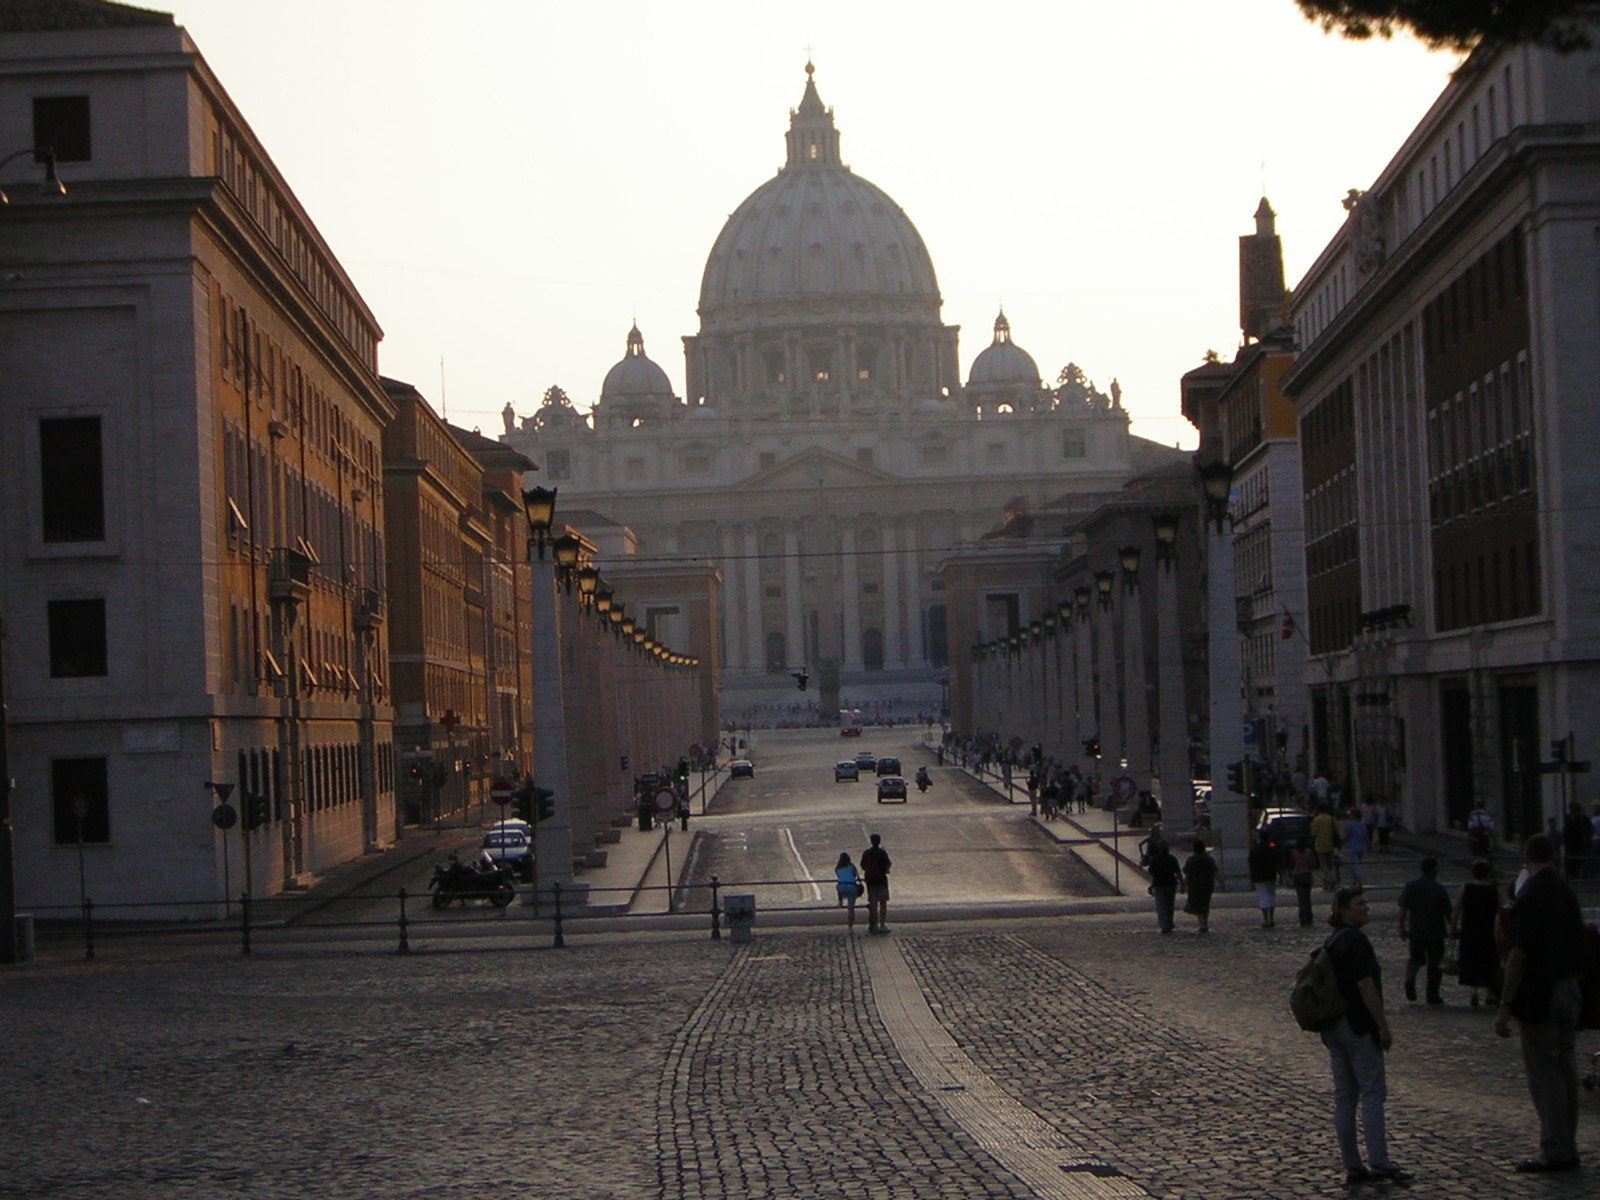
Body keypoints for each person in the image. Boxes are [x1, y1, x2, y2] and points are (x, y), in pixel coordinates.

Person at [1494, 833, 1586, 1173]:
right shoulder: (1566, 892)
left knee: (1545, 1074)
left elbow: (1518, 955)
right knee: (1566, 1069)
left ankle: (1554, 1148)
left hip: (1540, 992)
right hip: (1568, 986)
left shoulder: (1529, 896)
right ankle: (1568, 1144)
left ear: (1526, 859)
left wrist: (1505, 1005)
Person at [1321, 888, 1410, 1186]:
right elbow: (1365, 986)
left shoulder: (1331, 941)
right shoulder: (1356, 941)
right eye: (1360, 904)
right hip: (1358, 1025)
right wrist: (1382, 1025)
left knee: (1345, 1096)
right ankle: (1379, 1161)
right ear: (1344, 910)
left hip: (1334, 1026)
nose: (1366, 909)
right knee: (1373, 1092)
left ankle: (1352, 1164)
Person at [1398, 856, 1453, 1004]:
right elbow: (1447, 913)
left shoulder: (1411, 886)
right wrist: (1453, 928)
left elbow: (1403, 908)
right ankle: (1432, 994)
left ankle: (1410, 978)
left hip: (1416, 930)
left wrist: (1402, 927)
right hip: (1435, 931)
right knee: (1435, 964)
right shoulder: (1439, 889)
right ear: (1434, 869)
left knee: (1415, 958)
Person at [1451, 858, 1502, 1007]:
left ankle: (1473, 991)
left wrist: (1453, 926)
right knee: (1489, 961)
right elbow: (1502, 909)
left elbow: (1457, 909)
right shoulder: (1494, 890)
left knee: (1470, 960)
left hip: (1469, 930)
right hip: (1488, 931)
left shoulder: (1466, 888)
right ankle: (1490, 993)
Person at [1146, 836, 1182, 934]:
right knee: (1169, 906)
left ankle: (1164, 925)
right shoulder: (1172, 858)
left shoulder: (1155, 859)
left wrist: (1152, 884)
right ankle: (1169, 922)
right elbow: (1178, 872)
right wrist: (1182, 883)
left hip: (1159, 884)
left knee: (1161, 906)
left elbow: (1151, 872)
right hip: (1171, 884)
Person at [1181, 838, 1217, 934]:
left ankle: (1202, 923)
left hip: (1194, 885)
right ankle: (1204, 922)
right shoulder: (1209, 859)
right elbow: (1214, 871)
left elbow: (1186, 872)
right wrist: (1221, 882)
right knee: (1205, 904)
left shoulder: (1191, 859)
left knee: (1197, 905)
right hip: (1207, 885)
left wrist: (1184, 884)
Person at [861, 833, 892, 935]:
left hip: (870, 881)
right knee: (883, 903)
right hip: (882, 880)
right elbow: (888, 864)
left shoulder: (867, 853)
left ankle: (874, 925)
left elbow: (863, 865)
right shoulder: (882, 852)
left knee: (873, 904)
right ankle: (882, 924)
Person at [1248, 835, 1279, 928]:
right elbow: (1277, 861)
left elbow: (1250, 862)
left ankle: (1266, 919)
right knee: (1271, 896)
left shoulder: (1254, 849)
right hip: (1271, 875)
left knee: (1263, 896)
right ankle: (1272, 918)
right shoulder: (1271, 848)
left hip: (1259, 876)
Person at [1311, 806, 1341, 890]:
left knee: (1323, 864)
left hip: (1320, 845)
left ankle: (1327, 881)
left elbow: (1313, 833)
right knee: (1329, 864)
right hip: (1330, 845)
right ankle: (1330, 879)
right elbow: (1336, 831)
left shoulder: (1316, 820)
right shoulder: (1331, 819)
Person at [1290, 837, 1317, 927]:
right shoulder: (1308, 852)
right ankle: (1309, 919)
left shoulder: (1293, 853)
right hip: (1307, 875)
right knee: (1307, 898)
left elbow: (1291, 864)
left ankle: (1303, 920)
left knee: (1301, 899)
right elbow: (1313, 863)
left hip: (1297, 875)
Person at [834, 852, 862, 931]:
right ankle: (850, 927)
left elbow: (840, 877)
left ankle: (840, 901)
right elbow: (855, 876)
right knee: (851, 909)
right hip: (851, 886)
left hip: (842, 885)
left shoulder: (837, 868)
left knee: (839, 887)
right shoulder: (852, 866)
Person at [1343, 808, 1369, 883]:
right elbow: (1366, 835)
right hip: (1361, 846)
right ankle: (1355, 879)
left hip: (1352, 847)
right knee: (1356, 863)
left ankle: (1358, 879)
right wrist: (1369, 843)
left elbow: (1347, 836)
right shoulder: (1363, 825)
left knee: (1354, 863)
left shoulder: (1349, 825)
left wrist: (1342, 842)